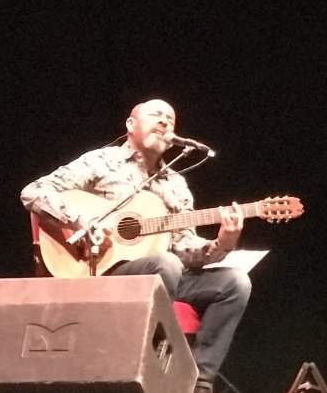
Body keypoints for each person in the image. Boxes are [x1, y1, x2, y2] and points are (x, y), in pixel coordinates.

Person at [20, 99, 249, 393]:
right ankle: (141, 365)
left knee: (234, 283)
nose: (165, 121)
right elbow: (34, 192)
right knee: (165, 265)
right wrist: (81, 220)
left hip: (162, 275)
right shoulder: (102, 162)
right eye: (156, 115)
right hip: (100, 270)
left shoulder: (175, 185)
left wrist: (222, 243)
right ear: (131, 125)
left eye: (171, 118)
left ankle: (198, 383)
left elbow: (184, 249)